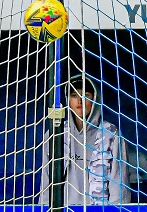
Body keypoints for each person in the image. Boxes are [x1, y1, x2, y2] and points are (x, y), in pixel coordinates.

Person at [40, 73, 130, 205]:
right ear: (68, 100)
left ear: (95, 99)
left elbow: (119, 184)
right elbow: (46, 182)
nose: (79, 101)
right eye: (74, 95)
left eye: (86, 95)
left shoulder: (111, 133)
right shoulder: (56, 134)